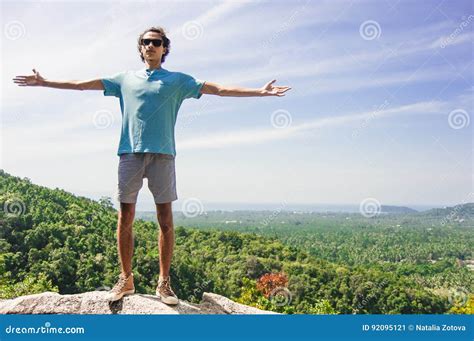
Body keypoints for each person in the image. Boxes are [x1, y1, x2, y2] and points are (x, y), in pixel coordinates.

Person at [13, 26, 291, 305]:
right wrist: (45, 81)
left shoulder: (177, 80)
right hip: (129, 154)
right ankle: (126, 278)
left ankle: (164, 283)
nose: (150, 46)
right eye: (145, 42)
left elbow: (218, 89)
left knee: (165, 220)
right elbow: (84, 84)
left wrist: (260, 92)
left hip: (163, 156)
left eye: (156, 42)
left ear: (164, 48)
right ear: (140, 48)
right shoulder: (124, 79)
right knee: (125, 217)